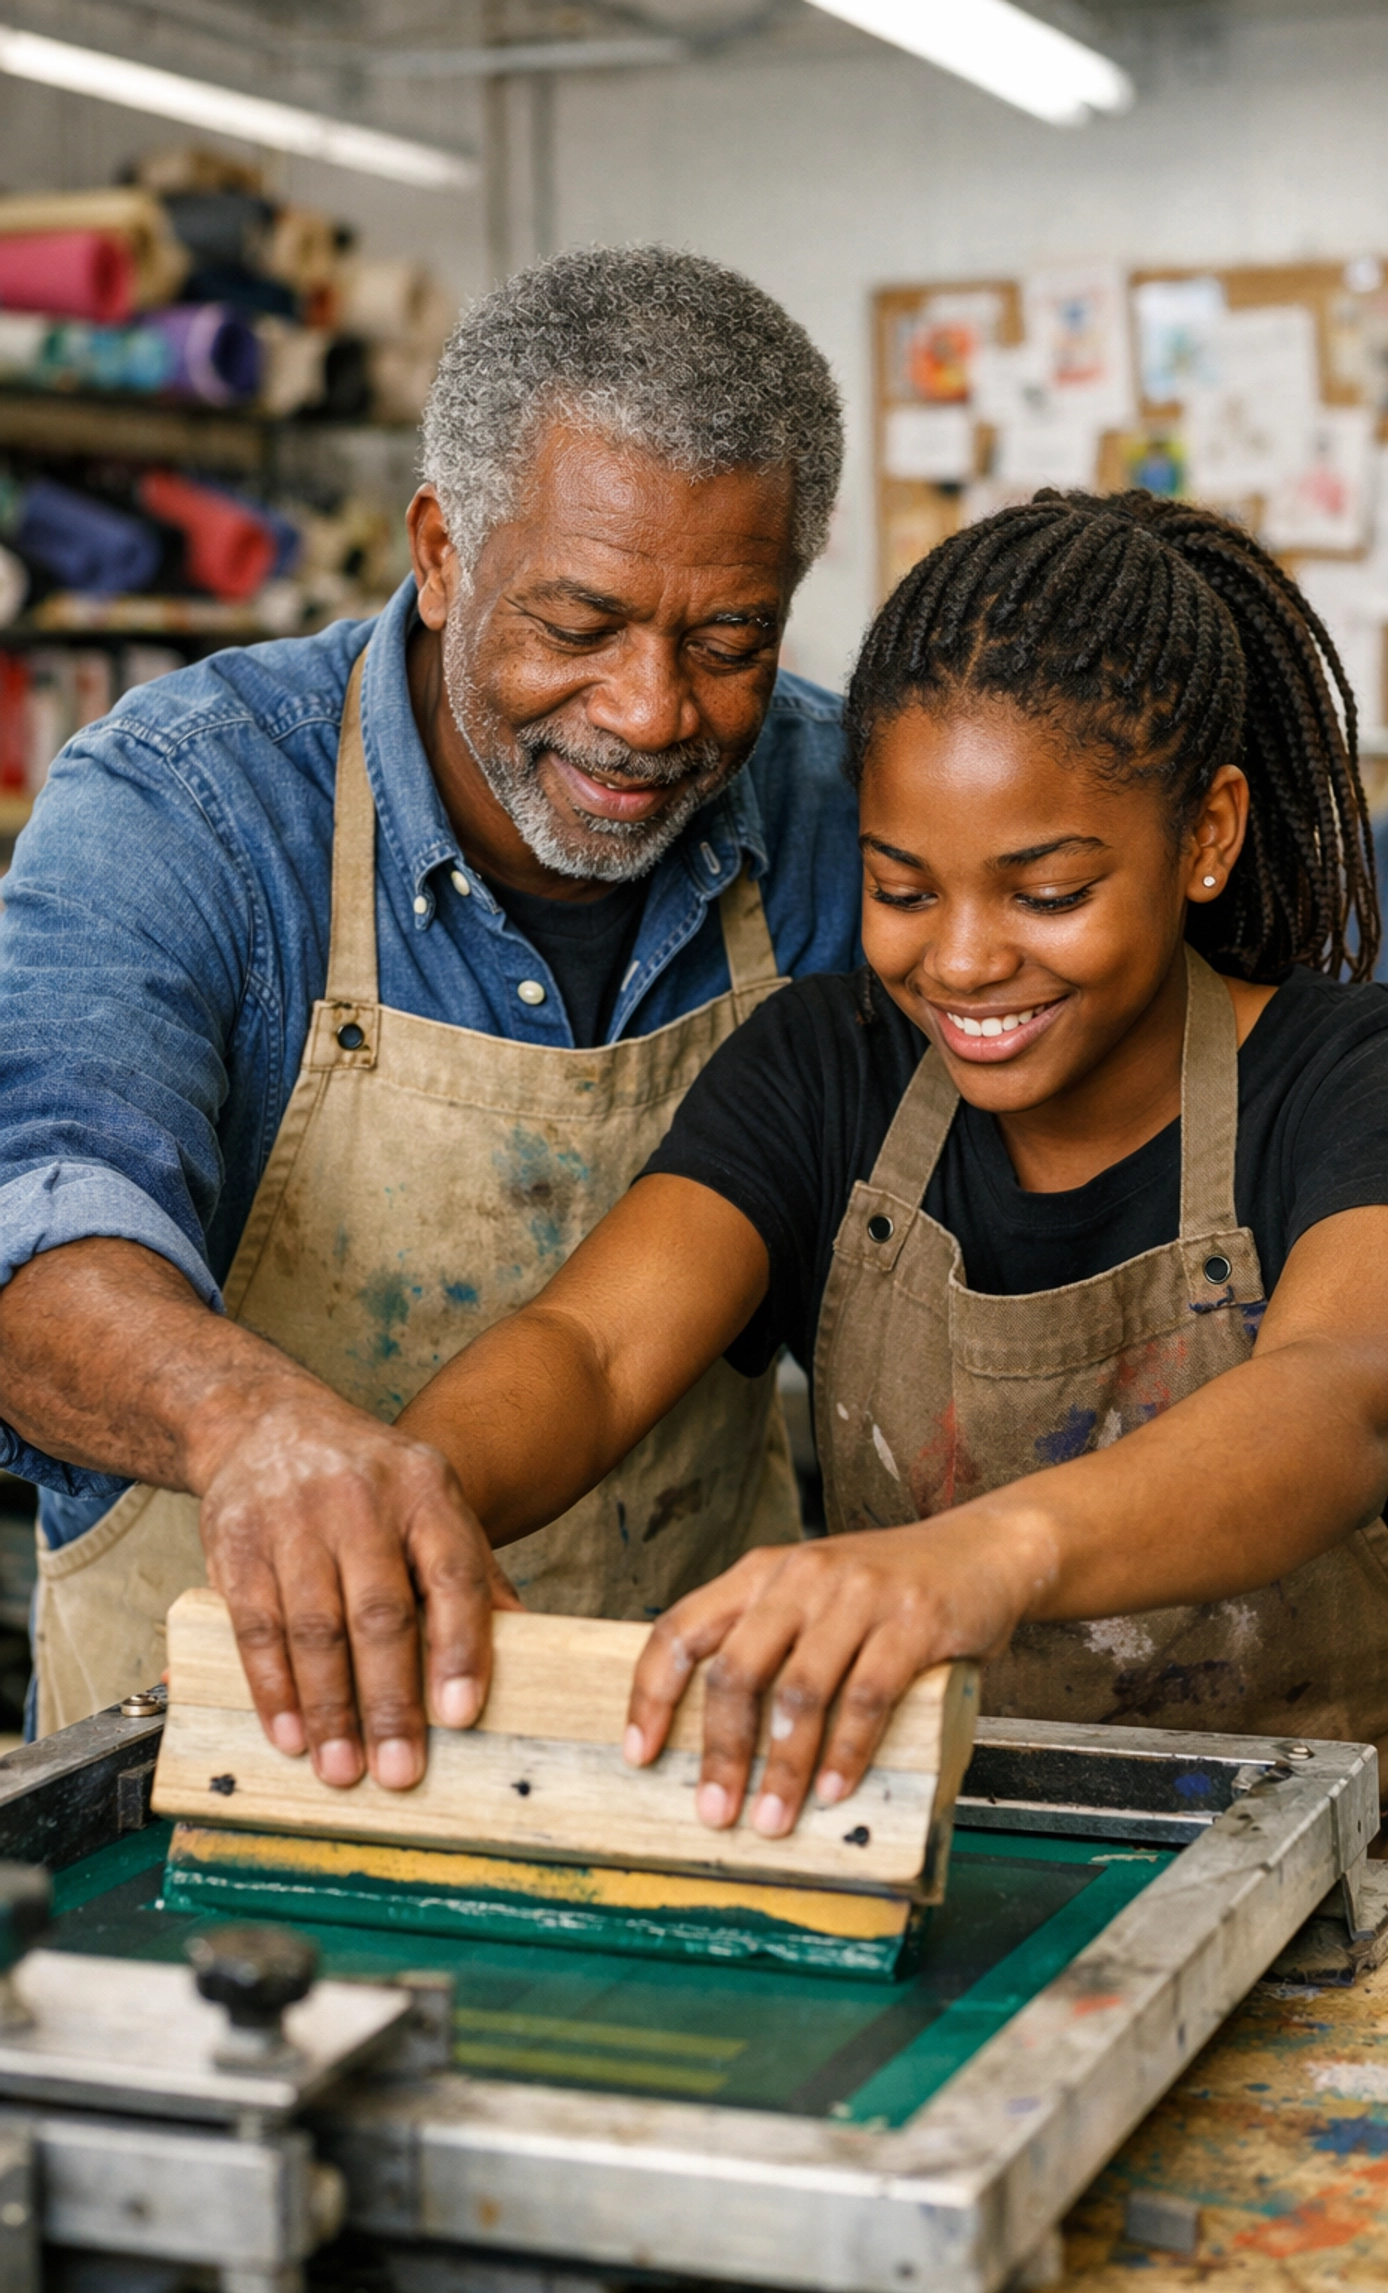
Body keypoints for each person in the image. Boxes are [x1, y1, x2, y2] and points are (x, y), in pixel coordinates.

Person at [398, 491, 1388, 1944]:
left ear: (1206, 835)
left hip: (1387, 1905)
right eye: (901, 889)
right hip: (984, 1901)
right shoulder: (826, 1072)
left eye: (1047, 892)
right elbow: (591, 1349)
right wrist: (415, 1488)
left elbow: (1340, 1400)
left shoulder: (1376, 1077)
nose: (965, 961)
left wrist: (980, 1560)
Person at [0, 246, 859, 1776]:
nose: (650, 711)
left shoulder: (838, 813)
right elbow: (36, 1225)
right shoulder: (186, 804)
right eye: (578, 626)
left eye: (729, 643)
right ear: (443, 550)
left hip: (678, 1742)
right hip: (214, 1738)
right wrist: (249, 1423)